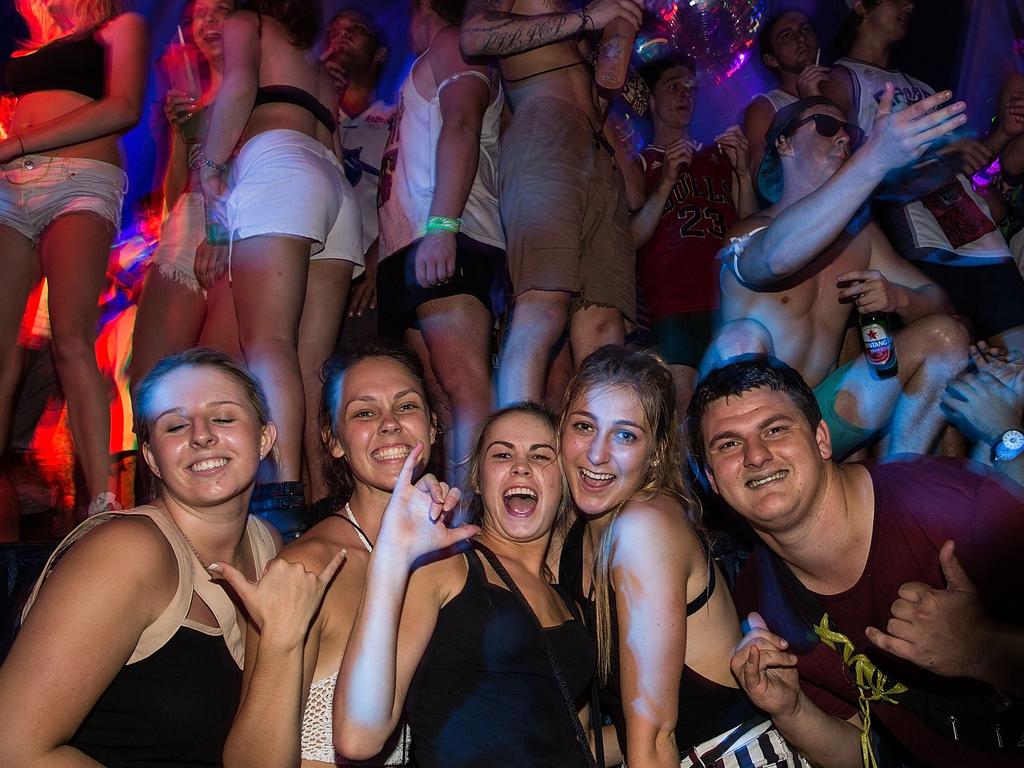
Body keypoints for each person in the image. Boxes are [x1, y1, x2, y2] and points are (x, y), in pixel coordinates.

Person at [686, 356, 1024, 768]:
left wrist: (985, 650)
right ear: (712, 480)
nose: (755, 456)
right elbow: (863, 755)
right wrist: (791, 711)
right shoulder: (758, 599)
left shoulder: (951, 506)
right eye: (729, 444)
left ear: (822, 439)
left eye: (775, 429)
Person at [0, 349, 330, 765]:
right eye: (175, 425)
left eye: (224, 417)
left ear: (264, 438)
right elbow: (11, 748)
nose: (201, 435)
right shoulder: (127, 552)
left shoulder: (265, 544)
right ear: (152, 457)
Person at [555, 346, 801, 766]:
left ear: (655, 453)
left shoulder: (643, 529)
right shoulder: (574, 538)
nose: (597, 454)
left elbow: (653, 738)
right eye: (584, 426)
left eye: (625, 435)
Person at [335, 404, 600, 768]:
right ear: (478, 478)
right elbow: (358, 737)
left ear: (565, 481)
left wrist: (683, 729)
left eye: (540, 456)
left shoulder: (569, 603)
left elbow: (576, 741)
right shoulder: (447, 566)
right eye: (502, 454)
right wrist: (392, 554)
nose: (521, 466)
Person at [710, 90, 969, 459]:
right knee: (741, 337)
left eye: (850, 132)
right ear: (784, 144)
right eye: (827, 127)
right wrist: (874, 159)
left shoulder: (862, 238)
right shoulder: (747, 232)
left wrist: (899, 297)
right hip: (750, 423)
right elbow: (774, 259)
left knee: (948, 338)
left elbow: (940, 303)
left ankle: (898, 487)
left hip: (822, 414)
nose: (844, 137)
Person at [222, 338, 436, 767]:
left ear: (433, 428)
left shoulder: (449, 556)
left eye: (407, 406)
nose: (390, 424)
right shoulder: (310, 567)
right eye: (364, 412)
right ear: (333, 440)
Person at [200, 0, 363, 533]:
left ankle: (282, 495)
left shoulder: (248, 24)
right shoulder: (314, 63)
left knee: (267, 342)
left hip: (279, 167)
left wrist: (208, 168)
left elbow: (238, 88)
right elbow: (335, 139)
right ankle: (323, 503)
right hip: (335, 187)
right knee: (312, 364)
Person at [0, 0, 147, 517]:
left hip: (78, 181)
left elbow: (123, 107)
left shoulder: (118, 28)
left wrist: (17, 142)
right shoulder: (28, 47)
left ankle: (102, 500)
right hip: (9, 186)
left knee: (70, 338)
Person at [461, 0, 643, 407]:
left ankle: (602, 450)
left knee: (603, 323)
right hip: (545, 130)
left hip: (597, 149)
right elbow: (473, 35)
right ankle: (515, 449)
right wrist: (587, 20)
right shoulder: (578, 13)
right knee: (543, 305)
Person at [824, 0, 1024, 354]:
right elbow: (845, 180)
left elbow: (962, 164)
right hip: (927, 253)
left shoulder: (921, 86)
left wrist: (996, 141)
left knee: (1018, 369)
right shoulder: (841, 80)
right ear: (859, 5)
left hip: (986, 246)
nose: (909, 5)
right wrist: (939, 163)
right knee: (956, 363)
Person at [375, 0, 505, 490]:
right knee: (440, 397)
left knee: (463, 387)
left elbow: (463, 122)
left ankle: (483, 519)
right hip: (413, 245)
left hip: (452, 232)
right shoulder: (430, 56)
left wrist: (444, 225)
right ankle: (456, 513)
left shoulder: (454, 41)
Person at [630, 55, 756, 413]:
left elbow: (749, 235)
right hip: (673, 304)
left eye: (690, 88)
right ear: (651, 101)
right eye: (673, 86)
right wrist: (666, 181)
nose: (685, 94)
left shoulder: (720, 155)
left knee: (734, 407)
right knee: (681, 413)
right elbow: (629, 239)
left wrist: (744, 174)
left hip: (729, 301)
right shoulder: (640, 164)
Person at [131, 0, 239, 396]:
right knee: (151, 383)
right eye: (199, 14)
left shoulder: (260, 89)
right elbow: (175, 198)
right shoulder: (191, 100)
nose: (207, 21)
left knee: (218, 384)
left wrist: (219, 230)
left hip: (240, 228)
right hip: (188, 223)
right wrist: (179, 135)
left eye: (221, 9)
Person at [322, 8, 392, 329]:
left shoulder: (395, 118)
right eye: (334, 30)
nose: (343, 34)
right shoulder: (304, 113)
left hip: (366, 275)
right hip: (306, 265)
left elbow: (411, 194)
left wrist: (379, 258)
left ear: (379, 54)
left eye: (356, 29)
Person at [743, 8, 827, 184]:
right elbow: (764, 179)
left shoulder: (840, 83)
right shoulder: (764, 108)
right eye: (787, 36)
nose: (801, 38)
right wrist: (812, 103)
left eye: (806, 29)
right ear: (771, 59)